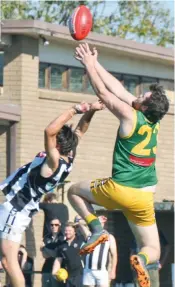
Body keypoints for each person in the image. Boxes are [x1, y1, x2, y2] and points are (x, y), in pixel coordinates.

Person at [68, 43, 169, 287]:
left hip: (119, 188)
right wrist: (97, 63)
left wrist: (88, 65)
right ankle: (141, 260)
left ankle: (97, 230)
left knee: (73, 191)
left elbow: (104, 93)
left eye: (143, 96)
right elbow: (118, 88)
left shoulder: (130, 115)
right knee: (152, 247)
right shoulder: (152, 121)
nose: (139, 94)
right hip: (144, 197)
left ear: (144, 106)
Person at [0, 100, 105, 287]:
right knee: (7, 262)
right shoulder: (69, 155)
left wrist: (75, 110)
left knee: (9, 262)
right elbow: (80, 130)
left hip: (16, 211)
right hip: (18, 209)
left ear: (56, 146)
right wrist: (92, 111)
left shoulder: (53, 163)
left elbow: (49, 130)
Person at [75, 215, 118, 287]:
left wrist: (113, 271)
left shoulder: (109, 237)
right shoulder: (89, 235)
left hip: (102, 271)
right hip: (88, 270)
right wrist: (87, 219)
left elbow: (114, 255)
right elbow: (79, 221)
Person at [52, 222, 84, 287]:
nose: (67, 232)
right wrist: (54, 271)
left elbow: (88, 233)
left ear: (75, 232)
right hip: (68, 275)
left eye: (69, 230)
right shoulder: (61, 245)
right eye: (66, 230)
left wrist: (80, 224)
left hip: (81, 275)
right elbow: (58, 260)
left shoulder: (81, 240)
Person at [41, 218, 64, 287]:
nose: (54, 226)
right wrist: (48, 251)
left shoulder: (62, 237)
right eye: (52, 225)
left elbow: (57, 254)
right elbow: (44, 255)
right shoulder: (46, 237)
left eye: (56, 225)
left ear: (60, 225)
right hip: (47, 267)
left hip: (59, 268)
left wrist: (45, 248)